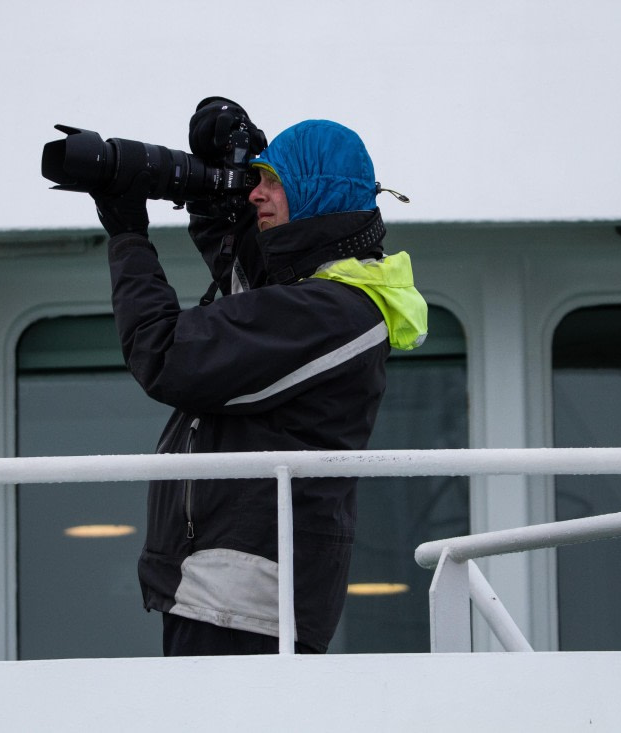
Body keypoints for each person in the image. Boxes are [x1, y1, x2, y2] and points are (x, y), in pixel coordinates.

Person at [90, 98, 428, 655]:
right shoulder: (323, 300)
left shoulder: (330, 313)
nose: (254, 194)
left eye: (272, 182)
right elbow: (252, 271)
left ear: (316, 194)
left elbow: (166, 354)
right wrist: (223, 179)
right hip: (231, 589)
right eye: (255, 180)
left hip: (245, 595)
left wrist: (128, 234)